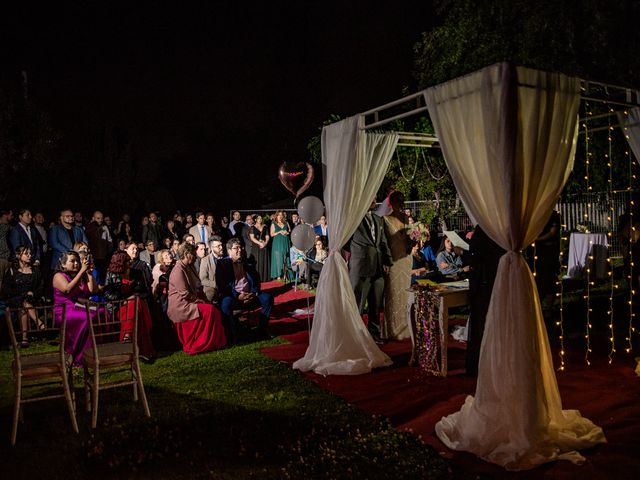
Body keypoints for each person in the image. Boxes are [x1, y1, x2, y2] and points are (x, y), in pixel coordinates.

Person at [167, 242, 226, 354]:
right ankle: (200, 343)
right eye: (193, 254)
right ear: (185, 254)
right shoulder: (178, 270)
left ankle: (215, 342)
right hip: (181, 305)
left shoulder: (190, 267)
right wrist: (201, 301)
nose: (195, 256)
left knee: (214, 309)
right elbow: (185, 294)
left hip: (191, 301)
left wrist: (205, 300)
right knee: (210, 311)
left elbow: (198, 287)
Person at [347, 200, 393, 343]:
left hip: (378, 267)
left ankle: (374, 333)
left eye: (374, 197)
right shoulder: (353, 219)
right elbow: (345, 241)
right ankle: (356, 336)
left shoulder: (378, 219)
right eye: (371, 197)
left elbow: (383, 241)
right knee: (358, 303)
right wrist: (359, 253)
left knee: (376, 304)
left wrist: (387, 260)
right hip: (360, 266)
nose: (373, 200)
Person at [465, 225, 505, 376]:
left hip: (483, 281)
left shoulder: (485, 229)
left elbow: (478, 255)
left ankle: (479, 363)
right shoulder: (498, 228)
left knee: (480, 322)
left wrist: (462, 252)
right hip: (493, 279)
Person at [216, 238, 273, 342]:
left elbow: (256, 280)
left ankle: (262, 329)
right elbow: (223, 285)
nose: (239, 250)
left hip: (250, 294)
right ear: (229, 251)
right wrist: (238, 295)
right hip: (233, 296)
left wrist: (253, 293)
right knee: (225, 304)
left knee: (267, 298)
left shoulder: (247, 262)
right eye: (236, 248)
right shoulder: (222, 264)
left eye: (240, 247)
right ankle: (232, 335)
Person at [103, 251, 155, 359]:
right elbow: (108, 294)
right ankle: (142, 350)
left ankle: (127, 336)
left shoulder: (137, 273)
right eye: (126, 260)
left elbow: (145, 290)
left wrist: (134, 297)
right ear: (119, 262)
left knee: (136, 304)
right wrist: (124, 300)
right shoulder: (111, 274)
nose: (130, 262)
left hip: (137, 302)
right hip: (119, 305)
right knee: (134, 306)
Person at [52, 250, 99, 364]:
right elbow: (67, 289)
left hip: (78, 307)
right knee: (88, 317)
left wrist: (88, 273)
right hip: (63, 310)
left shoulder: (81, 275)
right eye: (72, 261)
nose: (76, 264)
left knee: (102, 313)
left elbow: (93, 291)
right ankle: (77, 355)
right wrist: (82, 271)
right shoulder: (58, 276)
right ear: (63, 264)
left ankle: (96, 352)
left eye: (77, 261)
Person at [382, 191, 412, 340]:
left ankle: (406, 328)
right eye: (398, 201)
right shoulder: (385, 219)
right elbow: (384, 243)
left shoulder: (406, 218)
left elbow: (409, 238)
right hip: (393, 260)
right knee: (393, 293)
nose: (400, 203)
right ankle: (392, 329)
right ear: (391, 203)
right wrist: (386, 261)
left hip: (406, 259)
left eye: (402, 200)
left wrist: (417, 237)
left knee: (405, 293)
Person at [4, 246, 45, 347]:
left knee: (25, 304)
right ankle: (40, 324)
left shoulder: (35, 270)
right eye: (26, 253)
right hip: (15, 299)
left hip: (33, 299)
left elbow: (41, 286)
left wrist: (34, 293)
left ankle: (24, 339)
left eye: (30, 254)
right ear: (18, 255)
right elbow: (7, 289)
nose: (30, 256)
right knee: (23, 302)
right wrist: (22, 294)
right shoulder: (12, 271)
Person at [85, 210, 113, 282]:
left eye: (101, 218)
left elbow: (109, 240)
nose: (100, 220)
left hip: (104, 256)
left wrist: (109, 253)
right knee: (94, 275)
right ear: (93, 218)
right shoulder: (89, 228)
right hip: (93, 256)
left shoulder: (105, 227)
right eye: (98, 218)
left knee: (103, 275)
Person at [199, 235, 224, 302]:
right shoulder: (205, 260)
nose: (221, 247)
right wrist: (216, 284)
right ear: (211, 248)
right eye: (218, 246)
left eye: (221, 245)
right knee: (209, 293)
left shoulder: (226, 259)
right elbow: (203, 280)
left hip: (226, 287)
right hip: (213, 287)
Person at [269, 210, 291, 280]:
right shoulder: (273, 223)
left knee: (286, 257)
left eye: (281, 215)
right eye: (279, 215)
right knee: (278, 258)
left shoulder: (286, 223)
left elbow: (289, 231)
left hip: (285, 241)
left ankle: (286, 275)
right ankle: (278, 275)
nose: (280, 216)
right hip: (277, 242)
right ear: (276, 216)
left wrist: (287, 232)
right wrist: (279, 232)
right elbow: (271, 234)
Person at [249, 215, 270, 282]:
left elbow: (267, 236)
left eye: (261, 218)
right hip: (256, 247)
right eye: (258, 218)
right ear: (255, 220)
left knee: (263, 261)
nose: (260, 219)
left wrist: (265, 243)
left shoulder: (265, 227)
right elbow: (252, 238)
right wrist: (260, 243)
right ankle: (257, 278)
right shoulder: (252, 227)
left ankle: (264, 278)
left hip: (264, 247)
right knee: (257, 261)